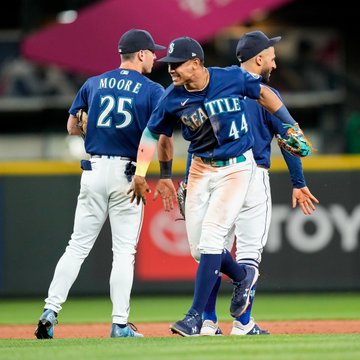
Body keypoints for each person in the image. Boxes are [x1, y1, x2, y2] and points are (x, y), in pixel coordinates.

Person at [128, 36, 306, 337]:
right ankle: (241, 278)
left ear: (196, 63)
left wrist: (289, 124)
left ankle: (196, 316)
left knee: (213, 237)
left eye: (177, 64)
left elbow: (265, 94)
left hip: (237, 166)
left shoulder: (231, 77)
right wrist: (142, 172)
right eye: (169, 65)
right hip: (200, 169)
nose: (170, 70)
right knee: (200, 250)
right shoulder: (172, 97)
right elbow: (151, 135)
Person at [34, 29, 168, 339]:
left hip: (93, 170)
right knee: (123, 253)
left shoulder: (93, 83)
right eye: (152, 52)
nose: (156, 57)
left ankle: (50, 310)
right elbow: (157, 137)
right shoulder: (152, 90)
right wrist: (145, 172)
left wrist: (96, 133)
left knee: (77, 245)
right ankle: (119, 324)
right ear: (141, 54)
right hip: (127, 174)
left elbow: (71, 126)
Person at [198, 30, 319, 336]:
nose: (275, 65)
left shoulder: (217, 88)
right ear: (260, 58)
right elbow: (289, 138)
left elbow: (198, 135)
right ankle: (242, 322)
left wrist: (191, 176)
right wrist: (298, 180)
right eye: (272, 58)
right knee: (249, 251)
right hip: (252, 174)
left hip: (217, 174)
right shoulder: (266, 95)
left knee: (216, 248)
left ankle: (208, 320)